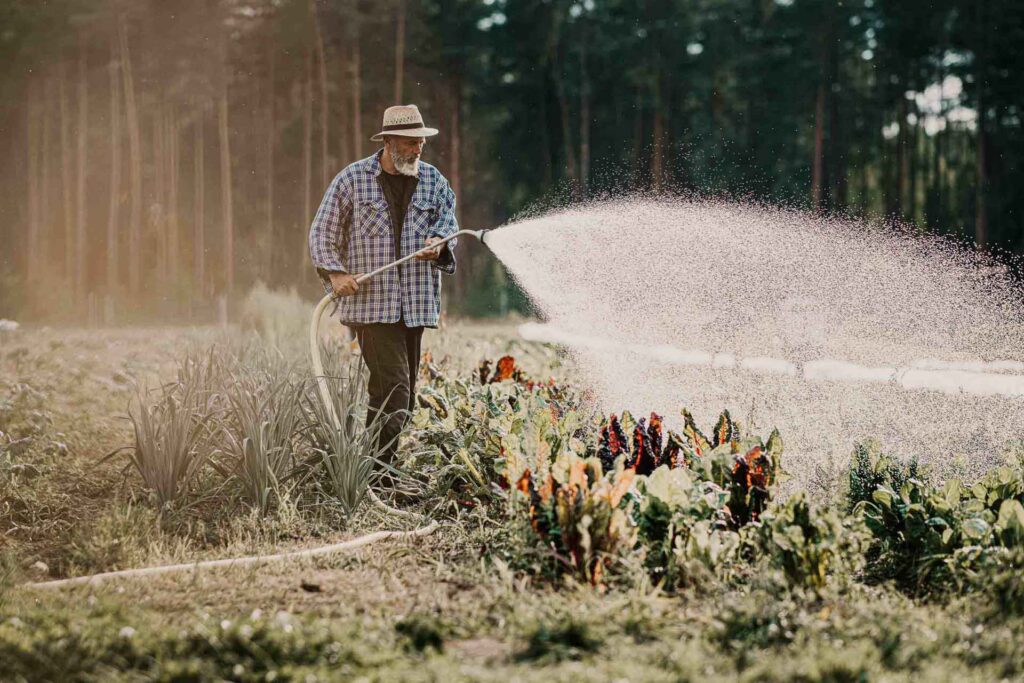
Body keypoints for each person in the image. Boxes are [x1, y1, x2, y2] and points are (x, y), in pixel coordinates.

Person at [308, 104, 458, 473]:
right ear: (388, 141)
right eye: (409, 143)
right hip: (372, 308)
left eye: (420, 143)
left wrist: (439, 241)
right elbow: (322, 233)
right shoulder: (352, 180)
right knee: (397, 396)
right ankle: (379, 475)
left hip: (416, 307)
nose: (417, 149)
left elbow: (449, 221)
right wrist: (336, 274)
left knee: (395, 396)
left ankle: (370, 470)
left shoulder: (434, 181)